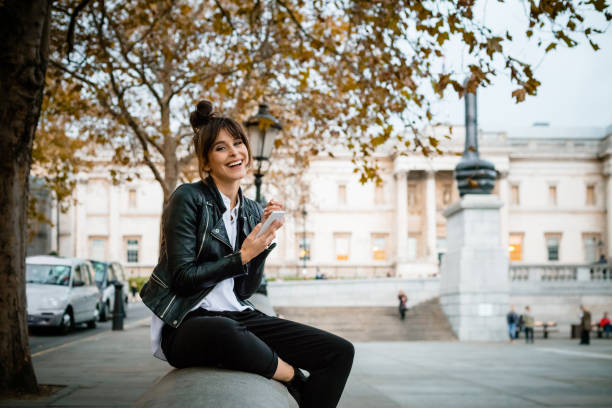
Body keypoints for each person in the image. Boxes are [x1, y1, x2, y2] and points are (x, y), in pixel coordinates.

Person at [139, 100, 354, 408]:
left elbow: (245, 290)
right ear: (206, 161)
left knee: (340, 352)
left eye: (238, 144)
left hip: (237, 316)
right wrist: (241, 255)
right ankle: (294, 378)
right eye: (221, 148)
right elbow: (183, 279)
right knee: (225, 329)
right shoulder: (189, 198)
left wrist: (262, 243)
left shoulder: (250, 209)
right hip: (185, 324)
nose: (234, 153)